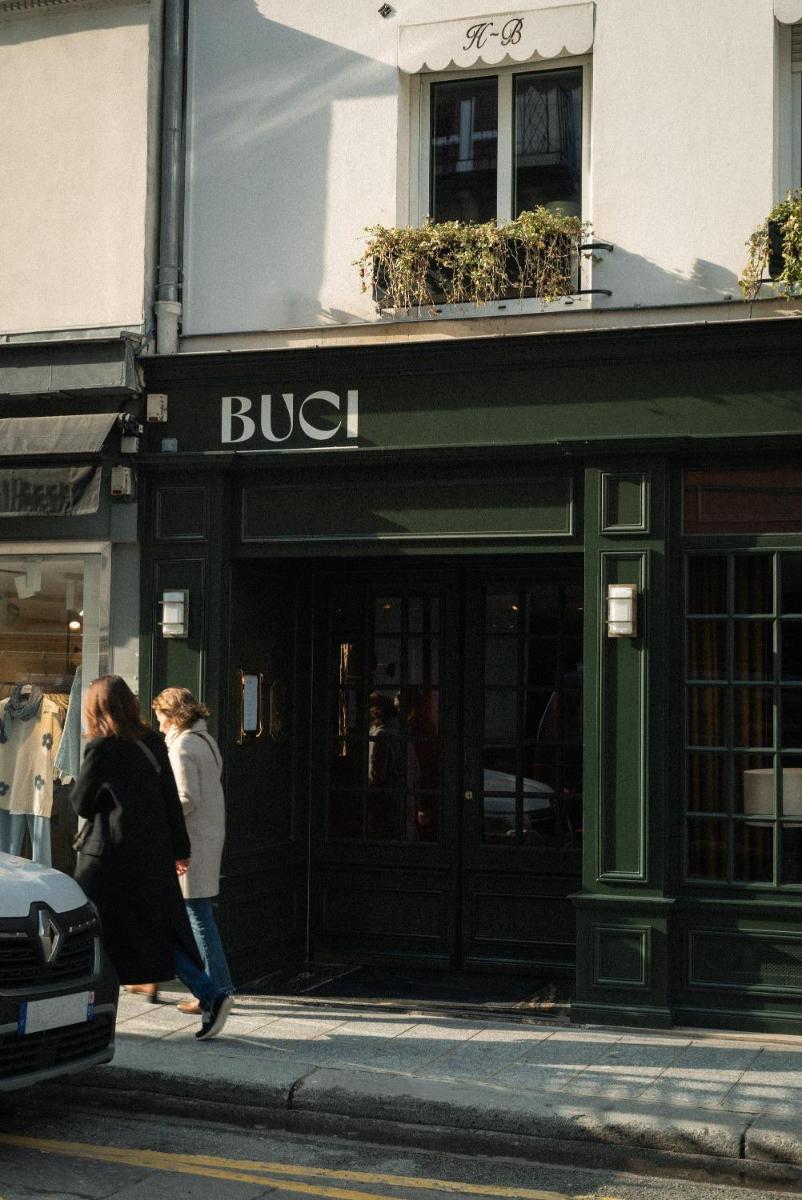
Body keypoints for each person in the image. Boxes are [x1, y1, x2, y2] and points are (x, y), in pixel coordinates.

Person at [70, 675, 233, 1040]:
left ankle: (83, 1007)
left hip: (108, 859)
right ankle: (210, 993)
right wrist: (180, 850)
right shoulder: (153, 743)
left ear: (96, 709)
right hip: (152, 855)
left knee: (84, 926)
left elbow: (81, 803)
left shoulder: (101, 748)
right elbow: (171, 800)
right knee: (157, 929)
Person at [152, 687, 233, 1016]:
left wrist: (160, 815)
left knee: (198, 916)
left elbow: (186, 797)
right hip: (208, 836)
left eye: (161, 718)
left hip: (192, 841)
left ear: (174, 717)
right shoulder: (206, 740)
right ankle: (216, 989)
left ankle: (217, 991)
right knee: (200, 914)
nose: (159, 725)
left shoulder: (182, 746)